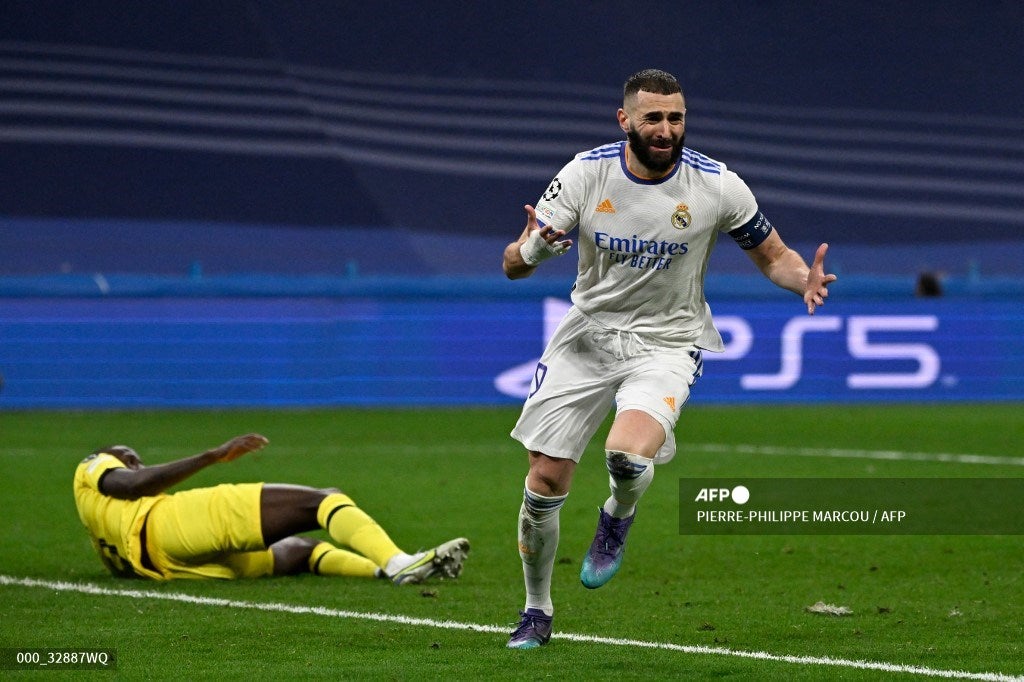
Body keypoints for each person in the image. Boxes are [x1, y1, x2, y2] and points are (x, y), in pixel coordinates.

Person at [501, 68, 836, 649]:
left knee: (627, 456)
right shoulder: (586, 173)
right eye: (652, 117)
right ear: (625, 119)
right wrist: (531, 246)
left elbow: (773, 255)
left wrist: (802, 279)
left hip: (668, 339)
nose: (665, 129)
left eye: (675, 117)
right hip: (587, 336)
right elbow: (514, 263)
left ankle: (616, 517)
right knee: (544, 480)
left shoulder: (718, 185)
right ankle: (536, 610)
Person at [73, 433, 469, 583]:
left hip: (172, 564)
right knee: (322, 500)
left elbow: (137, 482)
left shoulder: (102, 531)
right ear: (104, 455)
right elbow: (135, 483)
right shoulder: (91, 467)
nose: (136, 462)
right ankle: (400, 563)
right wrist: (213, 455)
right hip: (164, 526)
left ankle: (382, 570)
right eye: (129, 456)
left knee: (301, 551)